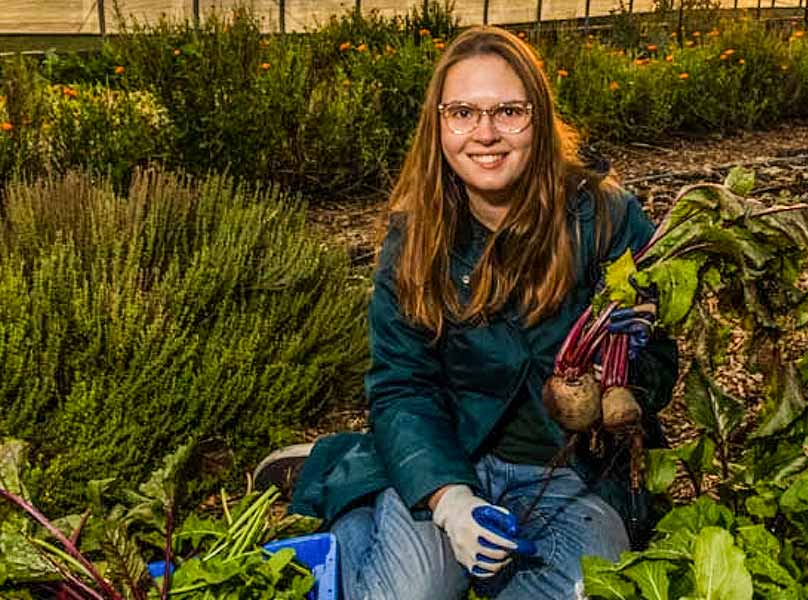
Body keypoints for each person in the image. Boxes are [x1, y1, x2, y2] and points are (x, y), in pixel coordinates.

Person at [256, 26, 677, 600]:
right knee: (413, 592)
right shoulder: (417, 234)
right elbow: (402, 384)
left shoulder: (604, 215)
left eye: (508, 111)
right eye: (462, 113)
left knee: (589, 588)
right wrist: (447, 498)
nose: (485, 134)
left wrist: (622, 381)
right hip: (453, 452)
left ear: (539, 116)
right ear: (438, 124)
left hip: (568, 475)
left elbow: (659, 354)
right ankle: (347, 491)